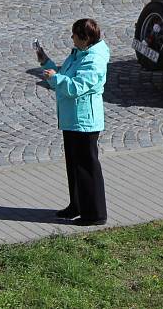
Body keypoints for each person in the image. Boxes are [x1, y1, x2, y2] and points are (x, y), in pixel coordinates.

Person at [38, 18, 110, 226]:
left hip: (85, 121)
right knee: (74, 165)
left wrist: (55, 78)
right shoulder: (79, 53)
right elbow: (63, 77)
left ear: (85, 38)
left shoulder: (94, 60)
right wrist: (46, 63)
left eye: (74, 35)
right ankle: (77, 205)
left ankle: (95, 214)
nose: (71, 38)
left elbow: (76, 87)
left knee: (87, 168)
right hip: (72, 120)